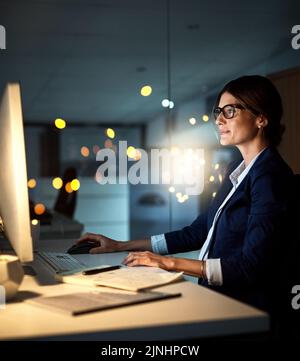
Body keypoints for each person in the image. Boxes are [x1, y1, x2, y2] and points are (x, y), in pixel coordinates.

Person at [77, 75, 294, 317]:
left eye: (230, 111)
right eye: (218, 111)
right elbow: (198, 232)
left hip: (244, 310)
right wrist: (120, 245)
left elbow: (250, 266)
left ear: (261, 118)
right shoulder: (237, 169)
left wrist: (167, 263)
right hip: (217, 299)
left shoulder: (270, 177)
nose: (219, 119)